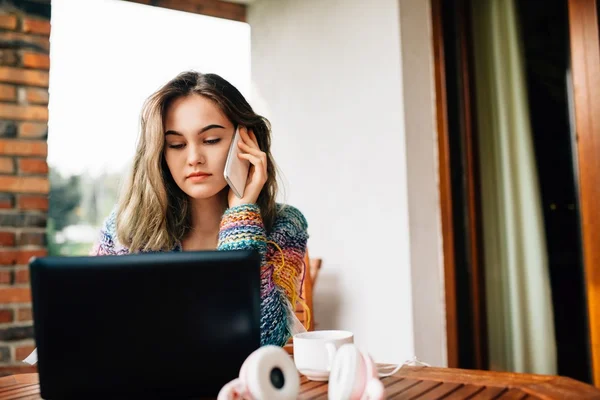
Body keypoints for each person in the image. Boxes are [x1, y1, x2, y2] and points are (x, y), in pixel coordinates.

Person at [90, 71, 309, 347]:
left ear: (247, 141)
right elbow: (100, 329)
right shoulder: (126, 227)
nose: (194, 158)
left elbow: (262, 340)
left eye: (211, 140)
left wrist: (242, 216)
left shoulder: (285, 225)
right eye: (176, 145)